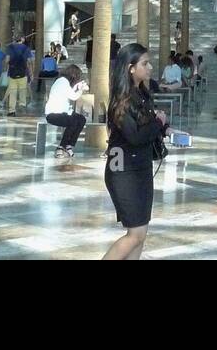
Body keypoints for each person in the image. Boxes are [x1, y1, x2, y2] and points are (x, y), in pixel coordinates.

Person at [102, 44, 169, 260]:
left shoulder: (141, 93)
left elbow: (147, 127)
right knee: (135, 234)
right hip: (123, 172)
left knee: (141, 233)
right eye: (145, 63)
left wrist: (163, 126)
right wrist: (158, 122)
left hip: (141, 168)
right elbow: (136, 136)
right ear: (131, 68)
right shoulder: (122, 99)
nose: (150, 67)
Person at [45, 63, 89, 159]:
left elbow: (70, 92)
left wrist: (77, 87)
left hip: (61, 113)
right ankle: (61, 147)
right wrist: (81, 89)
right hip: (53, 114)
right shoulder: (63, 81)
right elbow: (73, 96)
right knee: (72, 121)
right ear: (73, 75)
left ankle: (69, 145)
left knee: (81, 119)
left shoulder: (62, 81)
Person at [5, 35, 33, 114]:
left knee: (13, 92)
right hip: (23, 73)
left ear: (15, 40)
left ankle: (12, 110)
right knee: (22, 91)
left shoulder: (10, 48)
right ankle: (22, 105)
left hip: (12, 73)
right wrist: (31, 73)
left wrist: (8, 67)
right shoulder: (26, 48)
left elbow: (7, 60)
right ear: (22, 39)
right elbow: (29, 62)